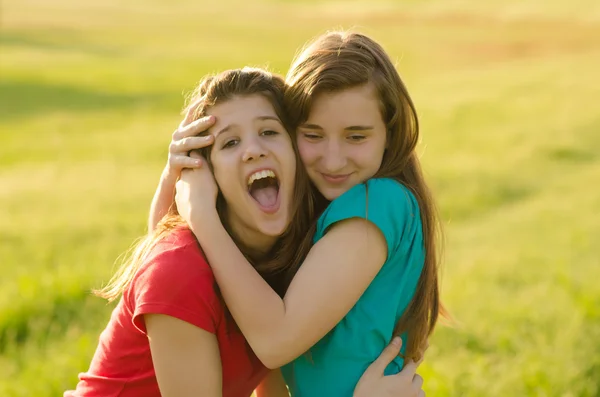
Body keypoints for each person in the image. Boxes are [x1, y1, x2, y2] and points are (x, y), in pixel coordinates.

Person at [65, 67, 425, 397]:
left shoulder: (276, 262)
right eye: (229, 143)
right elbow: (168, 265)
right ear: (208, 176)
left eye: (269, 131)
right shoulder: (179, 270)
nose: (253, 150)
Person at [173, 31, 444, 396]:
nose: (332, 160)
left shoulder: (377, 202)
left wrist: (202, 216)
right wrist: (174, 171)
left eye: (356, 137)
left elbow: (274, 343)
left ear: (390, 134)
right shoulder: (314, 210)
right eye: (313, 135)